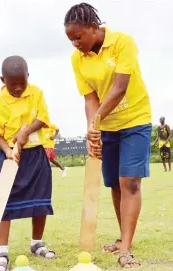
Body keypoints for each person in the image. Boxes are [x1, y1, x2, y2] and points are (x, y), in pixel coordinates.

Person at [64, 3, 152, 269]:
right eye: (70, 40)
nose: (75, 44)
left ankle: (125, 249)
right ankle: (122, 237)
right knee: (114, 183)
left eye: (78, 37)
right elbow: (90, 98)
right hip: (108, 126)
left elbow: (120, 88)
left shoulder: (122, 42)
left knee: (130, 182)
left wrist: (97, 120)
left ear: (94, 27)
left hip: (135, 120)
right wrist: (93, 128)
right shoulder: (77, 59)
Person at [0, 55, 56, 271]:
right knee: (3, 204)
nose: (18, 88)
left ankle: (37, 243)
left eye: (22, 83)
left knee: (40, 202)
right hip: (11, 159)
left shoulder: (36, 92)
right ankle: (2, 252)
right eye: (12, 84)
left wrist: (26, 130)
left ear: (28, 77)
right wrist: (8, 150)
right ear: (2, 80)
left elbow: (43, 118)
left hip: (36, 156)